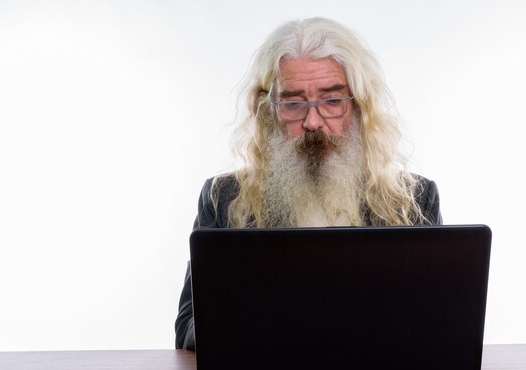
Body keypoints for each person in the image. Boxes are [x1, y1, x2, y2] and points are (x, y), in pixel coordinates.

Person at [175, 17, 442, 350]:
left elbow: (435, 326)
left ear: (359, 107)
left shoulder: (412, 200)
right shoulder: (223, 199)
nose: (313, 122)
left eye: (332, 101)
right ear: (267, 111)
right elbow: (188, 329)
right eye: (293, 103)